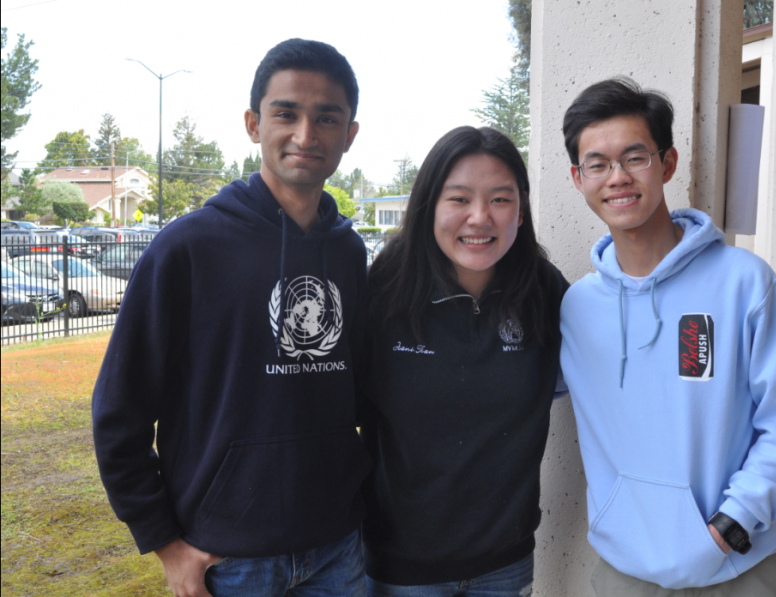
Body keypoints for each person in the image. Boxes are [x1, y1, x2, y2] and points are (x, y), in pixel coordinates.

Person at [92, 39, 370, 597]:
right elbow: (119, 411)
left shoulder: (348, 253)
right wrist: (165, 543)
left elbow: (361, 391)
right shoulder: (188, 247)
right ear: (252, 123)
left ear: (350, 134)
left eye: (327, 118)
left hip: (340, 551)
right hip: (230, 560)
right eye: (286, 113)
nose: (306, 135)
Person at [558, 77, 776, 596]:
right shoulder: (577, 307)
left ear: (668, 164)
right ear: (577, 177)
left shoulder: (744, 282)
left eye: (636, 157)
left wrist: (729, 529)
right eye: (598, 164)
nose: (618, 177)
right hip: (622, 574)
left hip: (738, 570)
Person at [360, 126, 568, 596]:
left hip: (506, 562)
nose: (479, 218)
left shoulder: (544, 291)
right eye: (459, 199)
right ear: (429, 205)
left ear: (521, 208)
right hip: (401, 567)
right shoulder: (382, 294)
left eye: (500, 199)